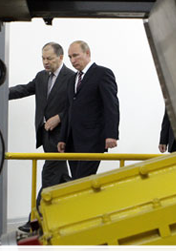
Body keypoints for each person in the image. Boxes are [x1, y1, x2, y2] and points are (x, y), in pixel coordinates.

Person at [9, 42, 75, 232]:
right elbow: (24, 90)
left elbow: (77, 106)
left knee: (49, 174)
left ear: (61, 58)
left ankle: (35, 220)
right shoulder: (41, 77)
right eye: (43, 59)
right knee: (61, 178)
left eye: (49, 59)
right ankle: (71, 212)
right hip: (45, 136)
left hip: (63, 137)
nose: (45, 62)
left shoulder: (71, 78)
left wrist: (59, 117)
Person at [58, 40, 120, 180]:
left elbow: (111, 105)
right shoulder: (72, 79)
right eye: (70, 57)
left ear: (87, 53)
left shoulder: (102, 73)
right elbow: (68, 109)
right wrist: (63, 137)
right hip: (73, 141)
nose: (73, 61)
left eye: (76, 56)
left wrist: (111, 134)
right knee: (77, 182)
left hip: (92, 140)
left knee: (82, 180)